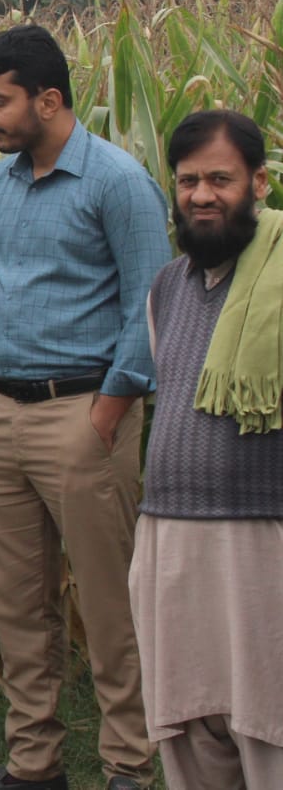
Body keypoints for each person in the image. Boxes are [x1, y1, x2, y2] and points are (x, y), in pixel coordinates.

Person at [0, 25, 170, 790]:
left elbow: (149, 308)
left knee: (111, 607)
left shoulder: (117, 182)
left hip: (83, 414)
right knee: (15, 608)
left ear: (47, 100)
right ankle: (34, 765)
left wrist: (107, 416)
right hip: (1, 418)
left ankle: (127, 766)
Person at [129, 110, 283, 789]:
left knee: (266, 722)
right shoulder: (166, 287)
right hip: (168, 535)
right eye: (187, 180)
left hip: (259, 537)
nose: (200, 195)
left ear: (258, 182)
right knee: (188, 723)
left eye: (219, 179)